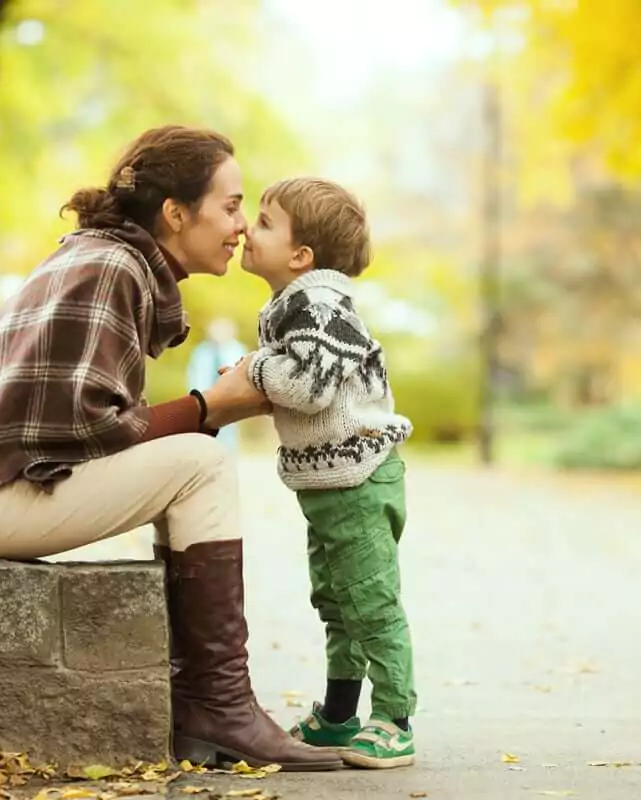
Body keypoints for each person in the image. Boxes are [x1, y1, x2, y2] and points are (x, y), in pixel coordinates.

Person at [0, 126, 342, 772]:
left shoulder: (108, 257)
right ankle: (218, 706)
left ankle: (211, 706)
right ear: (176, 214)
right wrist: (213, 407)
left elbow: (81, 429)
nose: (240, 225)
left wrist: (208, 409)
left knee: (198, 460)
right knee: (204, 463)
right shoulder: (113, 267)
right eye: (231, 206)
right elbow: (97, 431)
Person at [238, 177, 416, 768]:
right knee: (336, 603)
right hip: (329, 486)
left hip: (361, 481)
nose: (245, 228)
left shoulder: (321, 309)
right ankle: (340, 714)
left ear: (301, 256)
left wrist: (254, 370)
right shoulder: (293, 306)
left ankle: (394, 717)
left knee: (371, 603)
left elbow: (310, 389)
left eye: (263, 222)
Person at [186, 317, 248, 451]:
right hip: (206, 399)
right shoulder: (201, 352)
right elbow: (194, 375)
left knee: (228, 434)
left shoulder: (237, 349)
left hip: (232, 399)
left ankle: (227, 456)